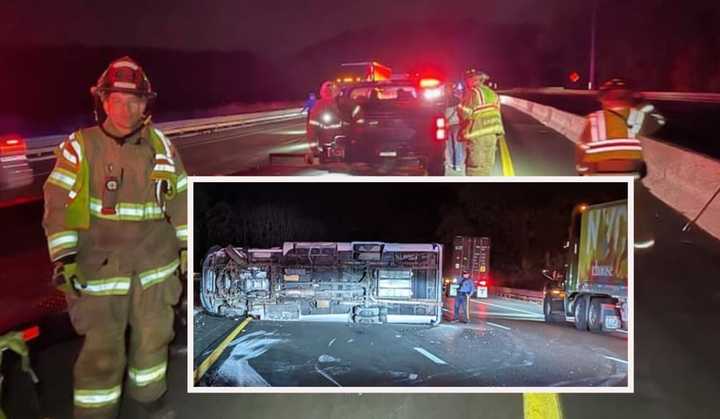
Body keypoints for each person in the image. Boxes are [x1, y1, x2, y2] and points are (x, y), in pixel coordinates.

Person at [43, 56, 187, 418]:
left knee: (153, 341)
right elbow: (59, 204)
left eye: (135, 101)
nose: (126, 109)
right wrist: (64, 258)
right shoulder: (80, 148)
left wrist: (187, 246)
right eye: (118, 100)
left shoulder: (162, 148)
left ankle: (150, 402)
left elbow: (182, 197)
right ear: (103, 102)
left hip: (155, 267)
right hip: (100, 271)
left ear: (145, 104)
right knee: (102, 351)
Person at [576, 78, 665, 177]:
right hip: (630, 173)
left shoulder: (594, 118)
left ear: (604, 99)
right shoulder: (636, 116)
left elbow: (582, 146)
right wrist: (641, 102)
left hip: (600, 174)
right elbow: (659, 120)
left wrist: (582, 169)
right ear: (630, 98)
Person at [458, 69, 505, 176]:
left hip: (478, 135)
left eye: (467, 80)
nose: (466, 83)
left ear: (473, 80)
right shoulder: (494, 94)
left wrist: (462, 130)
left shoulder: (474, 92)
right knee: (486, 166)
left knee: (475, 167)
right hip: (492, 135)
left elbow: (465, 113)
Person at [306, 81, 341, 161]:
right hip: (329, 148)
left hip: (331, 147)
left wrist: (314, 149)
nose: (329, 93)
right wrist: (314, 149)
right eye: (327, 91)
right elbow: (312, 129)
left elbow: (311, 130)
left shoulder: (318, 106)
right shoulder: (318, 106)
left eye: (330, 91)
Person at [444, 83, 465, 175]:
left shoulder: (456, 99)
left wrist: (447, 122)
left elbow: (457, 112)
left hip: (455, 124)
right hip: (446, 125)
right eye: (446, 89)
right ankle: (451, 163)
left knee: (456, 145)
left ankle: (458, 164)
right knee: (448, 145)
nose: (446, 91)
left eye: (448, 89)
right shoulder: (443, 100)